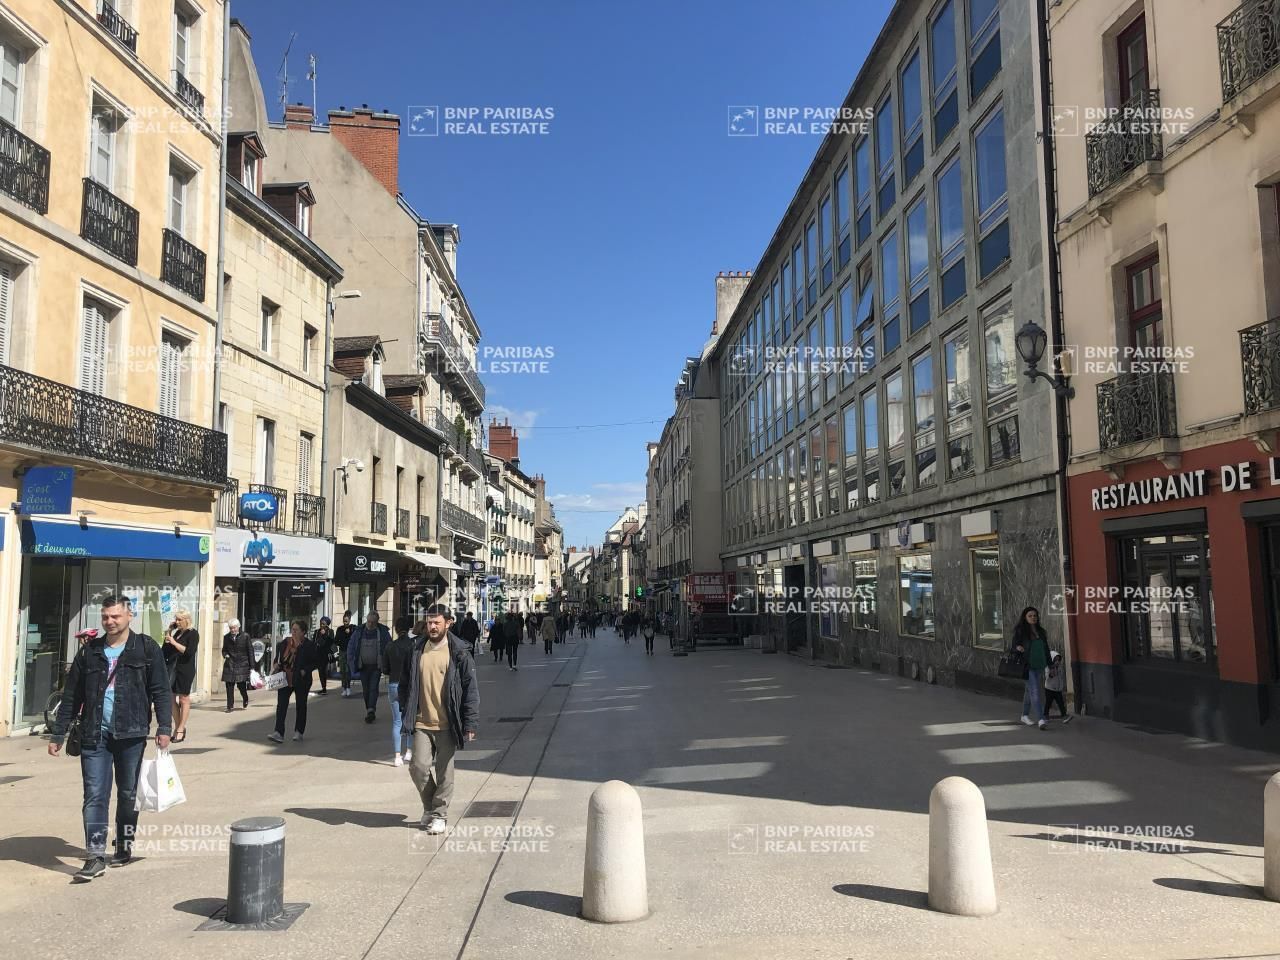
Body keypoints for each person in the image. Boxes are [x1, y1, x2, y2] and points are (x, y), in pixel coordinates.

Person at [48, 595, 171, 881]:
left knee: (128, 794)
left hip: (132, 732)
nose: (110, 621)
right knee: (94, 795)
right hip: (94, 734)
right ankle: (95, 856)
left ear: (130, 616)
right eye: (105, 617)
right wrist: (59, 732)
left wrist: (165, 727)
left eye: (115, 616)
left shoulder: (146, 648)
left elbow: (161, 691)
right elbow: (72, 696)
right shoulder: (89, 652)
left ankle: (125, 843)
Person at [398, 604, 479, 835]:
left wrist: (470, 722)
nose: (432, 627)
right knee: (418, 767)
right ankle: (430, 806)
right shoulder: (416, 649)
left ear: (448, 622)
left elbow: (470, 689)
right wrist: (406, 706)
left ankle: (440, 814)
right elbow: (405, 682)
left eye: (436, 622)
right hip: (422, 721)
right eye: (429, 622)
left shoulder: (459, 652)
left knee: (445, 772)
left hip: (448, 722)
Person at [269, 620, 320, 743]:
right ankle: (278, 732)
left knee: (301, 705)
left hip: (301, 679)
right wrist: (275, 664)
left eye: (296, 630)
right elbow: (278, 658)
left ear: (303, 632)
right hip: (285, 677)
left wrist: (305, 670)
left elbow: (315, 662)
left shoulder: (309, 645)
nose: (293, 632)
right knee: (281, 705)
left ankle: (299, 731)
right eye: (292, 629)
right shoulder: (284, 643)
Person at [382, 616, 416, 766]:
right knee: (409, 719)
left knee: (397, 721)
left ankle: (397, 756)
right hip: (409, 685)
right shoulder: (414, 645)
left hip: (394, 684)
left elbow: (385, 669)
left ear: (396, 629)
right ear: (408, 629)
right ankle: (409, 751)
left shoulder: (390, 646)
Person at [347, 610, 391, 723]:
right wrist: (352, 663)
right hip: (363, 666)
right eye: (369, 621)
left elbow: (389, 648)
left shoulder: (383, 632)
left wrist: (386, 664)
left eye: (373, 622)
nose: (370, 624)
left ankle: (371, 710)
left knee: (373, 688)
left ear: (377, 622)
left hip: (376, 667)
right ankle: (369, 708)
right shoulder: (359, 632)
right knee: (366, 689)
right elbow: (351, 647)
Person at [1012, 606, 1051, 730]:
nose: (1033, 618)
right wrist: (1017, 648)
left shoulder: (1041, 631)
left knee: (1029, 692)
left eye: (1035, 615)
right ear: (1025, 617)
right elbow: (1013, 647)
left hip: (1039, 664)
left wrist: (1050, 665)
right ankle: (1041, 719)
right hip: (1027, 665)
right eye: (1030, 616)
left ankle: (1024, 715)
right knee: (1035, 692)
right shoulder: (1020, 631)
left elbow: (1046, 649)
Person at [164, 610, 198, 743]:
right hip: (173, 668)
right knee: (171, 698)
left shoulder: (193, 633)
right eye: (176, 620)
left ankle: (180, 729)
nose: (177, 622)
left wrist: (174, 642)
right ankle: (180, 727)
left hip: (185, 670)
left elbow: (189, 652)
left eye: (179, 620)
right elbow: (165, 651)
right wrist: (169, 632)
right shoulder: (177, 633)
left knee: (183, 698)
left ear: (186, 620)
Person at [221, 619, 253, 711]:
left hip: (242, 663)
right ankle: (230, 706)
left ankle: (245, 698)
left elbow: (250, 651)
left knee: (241, 685)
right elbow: (224, 649)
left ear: (238, 627)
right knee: (229, 686)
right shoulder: (226, 637)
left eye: (234, 628)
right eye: (231, 628)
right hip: (230, 663)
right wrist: (225, 654)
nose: (232, 630)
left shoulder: (245, 636)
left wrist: (252, 667)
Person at [1044, 651, 1071, 724]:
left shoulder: (1059, 667)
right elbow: (1047, 677)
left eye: (1059, 660)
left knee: (1060, 702)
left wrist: (1061, 686)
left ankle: (1064, 715)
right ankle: (1045, 715)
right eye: (1056, 660)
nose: (1057, 662)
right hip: (1050, 688)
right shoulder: (1048, 667)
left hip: (1058, 689)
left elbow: (1061, 676)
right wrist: (1051, 674)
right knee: (1048, 702)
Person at [312, 616, 335, 694]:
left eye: (323, 624)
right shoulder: (317, 631)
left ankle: (324, 688)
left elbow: (331, 642)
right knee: (320, 671)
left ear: (327, 624)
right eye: (321, 623)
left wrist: (324, 635)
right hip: (318, 654)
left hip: (325, 654)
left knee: (323, 670)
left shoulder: (330, 631)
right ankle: (323, 687)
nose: (321, 625)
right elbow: (314, 642)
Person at [335, 611, 356, 697]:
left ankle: (348, 688)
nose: (345, 623)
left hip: (350, 652)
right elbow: (336, 640)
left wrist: (350, 632)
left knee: (348, 670)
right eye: (344, 621)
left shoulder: (353, 628)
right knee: (342, 671)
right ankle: (344, 688)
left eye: (346, 621)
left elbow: (355, 638)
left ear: (350, 620)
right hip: (342, 651)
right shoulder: (340, 629)